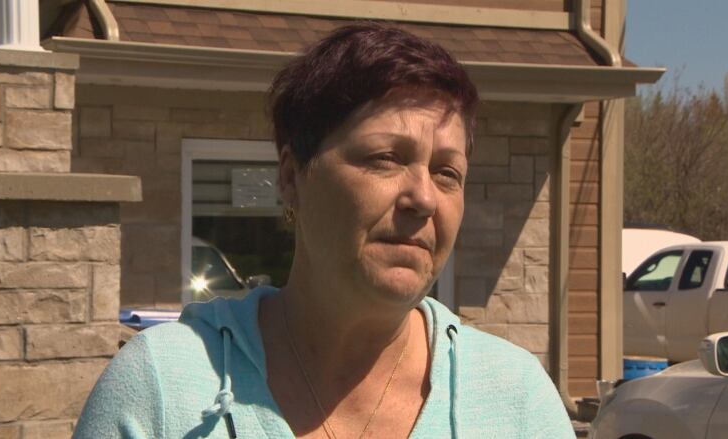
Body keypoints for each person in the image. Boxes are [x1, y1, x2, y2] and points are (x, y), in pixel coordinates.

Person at [73, 23, 574, 439]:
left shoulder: (516, 402)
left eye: (448, 172)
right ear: (293, 179)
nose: (423, 197)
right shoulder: (162, 389)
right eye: (385, 158)